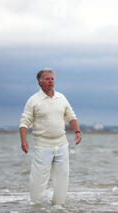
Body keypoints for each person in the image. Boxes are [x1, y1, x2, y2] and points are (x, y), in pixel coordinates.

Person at [19, 68, 82, 205]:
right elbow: (24, 122)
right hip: (42, 145)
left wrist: (77, 131)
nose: (50, 81)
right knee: (39, 179)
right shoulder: (33, 100)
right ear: (40, 82)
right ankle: (36, 208)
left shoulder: (61, 97)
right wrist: (23, 141)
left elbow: (71, 116)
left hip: (61, 144)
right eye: (47, 79)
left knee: (62, 178)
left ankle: (58, 208)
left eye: (52, 79)